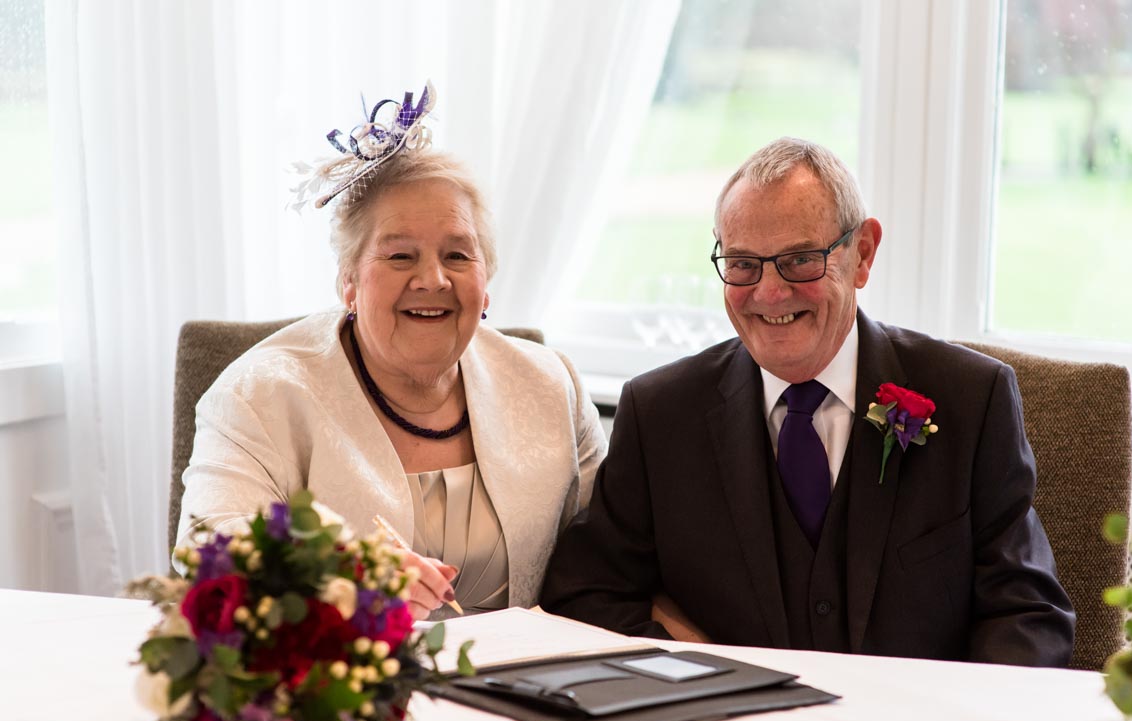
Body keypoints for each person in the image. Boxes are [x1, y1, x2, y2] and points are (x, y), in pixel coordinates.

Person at [540, 137, 1075, 666]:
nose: (770, 293)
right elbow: (584, 594)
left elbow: (1027, 616)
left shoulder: (970, 401)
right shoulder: (660, 414)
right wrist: (694, 666)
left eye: (800, 260)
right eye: (744, 264)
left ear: (862, 254)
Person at [178, 87, 606, 620]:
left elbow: (613, 560)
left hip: (528, 687)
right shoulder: (258, 393)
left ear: (486, 281)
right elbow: (207, 547)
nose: (432, 279)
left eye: (457, 254)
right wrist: (339, 570)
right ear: (350, 282)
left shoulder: (551, 383)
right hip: (342, 684)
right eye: (400, 255)